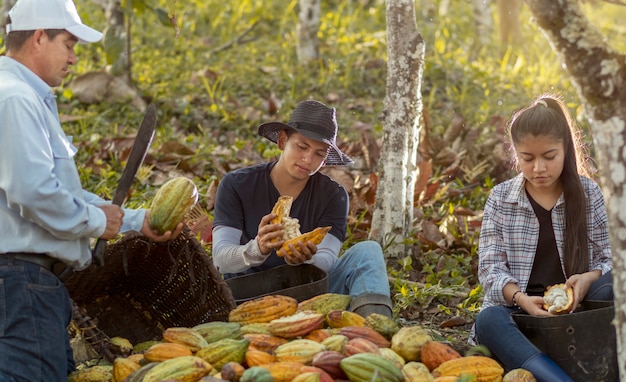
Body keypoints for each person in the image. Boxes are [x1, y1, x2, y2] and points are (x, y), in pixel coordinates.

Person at [0, 0, 183, 380]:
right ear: (38, 37)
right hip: (20, 281)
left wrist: (134, 220)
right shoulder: (15, 97)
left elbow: (58, 190)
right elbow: (33, 191)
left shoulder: (24, 95)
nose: (73, 59)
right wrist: (94, 221)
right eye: (68, 44)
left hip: (29, 283)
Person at [471, 95, 613, 382]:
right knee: (489, 319)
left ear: (566, 151)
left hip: (578, 312)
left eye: (549, 157)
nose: (538, 168)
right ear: (516, 154)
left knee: (617, 284)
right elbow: (490, 270)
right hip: (520, 315)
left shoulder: (588, 194)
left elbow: (610, 256)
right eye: (527, 158)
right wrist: (523, 300)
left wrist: (588, 278)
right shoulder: (500, 198)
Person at [212, 99, 393, 318]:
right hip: (249, 296)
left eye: (319, 153)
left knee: (368, 251)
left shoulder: (334, 196)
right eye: (302, 147)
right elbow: (220, 258)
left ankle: (376, 330)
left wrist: (307, 260)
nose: (308, 159)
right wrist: (257, 249)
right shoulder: (237, 184)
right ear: (282, 141)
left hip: (308, 293)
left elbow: (327, 257)